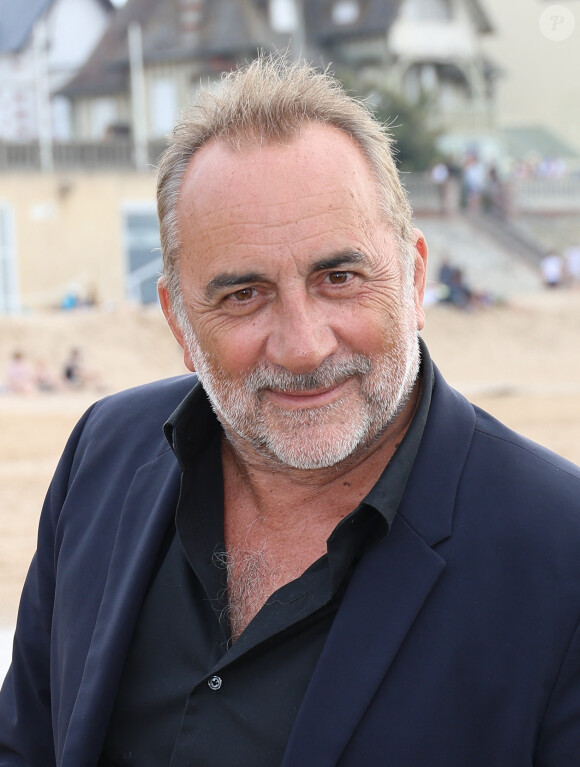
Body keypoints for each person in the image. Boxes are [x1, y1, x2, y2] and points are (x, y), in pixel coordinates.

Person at [1, 56, 580, 766]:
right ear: (180, 323)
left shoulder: (560, 549)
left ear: (416, 279)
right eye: (243, 294)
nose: (304, 347)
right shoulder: (102, 454)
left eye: (339, 277)